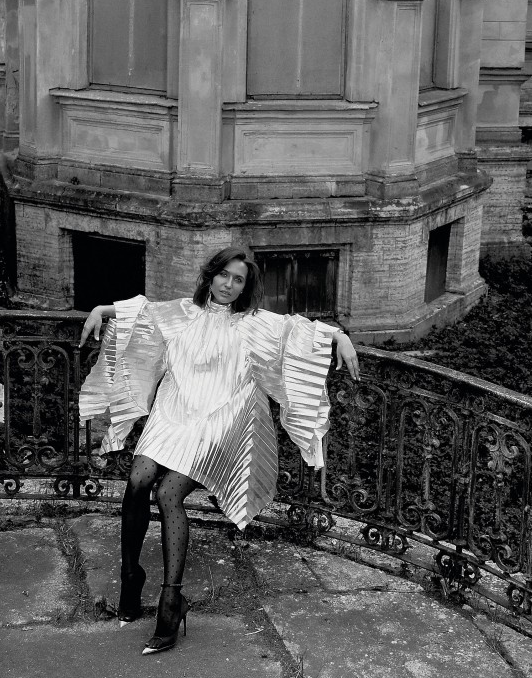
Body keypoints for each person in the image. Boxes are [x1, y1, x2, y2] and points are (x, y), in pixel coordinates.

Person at [79, 248, 358, 654]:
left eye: (238, 279)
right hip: (174, 412)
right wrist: (100, 310)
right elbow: (143, 313)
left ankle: (171, 600)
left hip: (218, 420)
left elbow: (298, 330)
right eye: (223, 275)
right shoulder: (182, 312)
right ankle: (131, 576)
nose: (228, 284)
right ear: (210, 276)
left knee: (167, 493)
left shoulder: (254, 323)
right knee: (138, 480)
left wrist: (340, 336)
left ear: (246, 287)